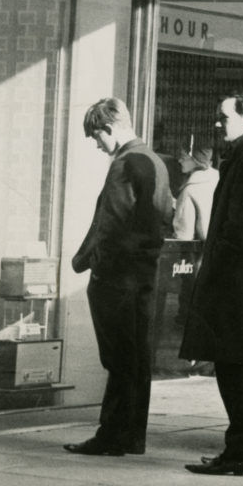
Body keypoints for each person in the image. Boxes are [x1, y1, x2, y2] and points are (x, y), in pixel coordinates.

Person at [179, 91, 243, 476]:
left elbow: (240, 228)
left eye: (224, 116)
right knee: (240, 369)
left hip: (235, 285)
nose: (217, 123)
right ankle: (239, 452)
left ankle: (239, 453)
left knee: (235, 369)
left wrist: (218, 265)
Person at [65, 98, 173, 458]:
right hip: (145, 274)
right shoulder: (156, 161)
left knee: (117, 360)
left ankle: (111, 434)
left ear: (109, 128)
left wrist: (88, 262)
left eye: (96, 136)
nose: (97, 145)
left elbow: (109, 224)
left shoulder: (124, 165)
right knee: (137, 358)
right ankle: (131, 435)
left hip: (116, 276)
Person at [171, 144, 218, 242]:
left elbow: (184, 234)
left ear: (196, 161)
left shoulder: (190, 190)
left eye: (183, 157)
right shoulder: (217, 178)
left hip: (203, 251)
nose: (179, 161)